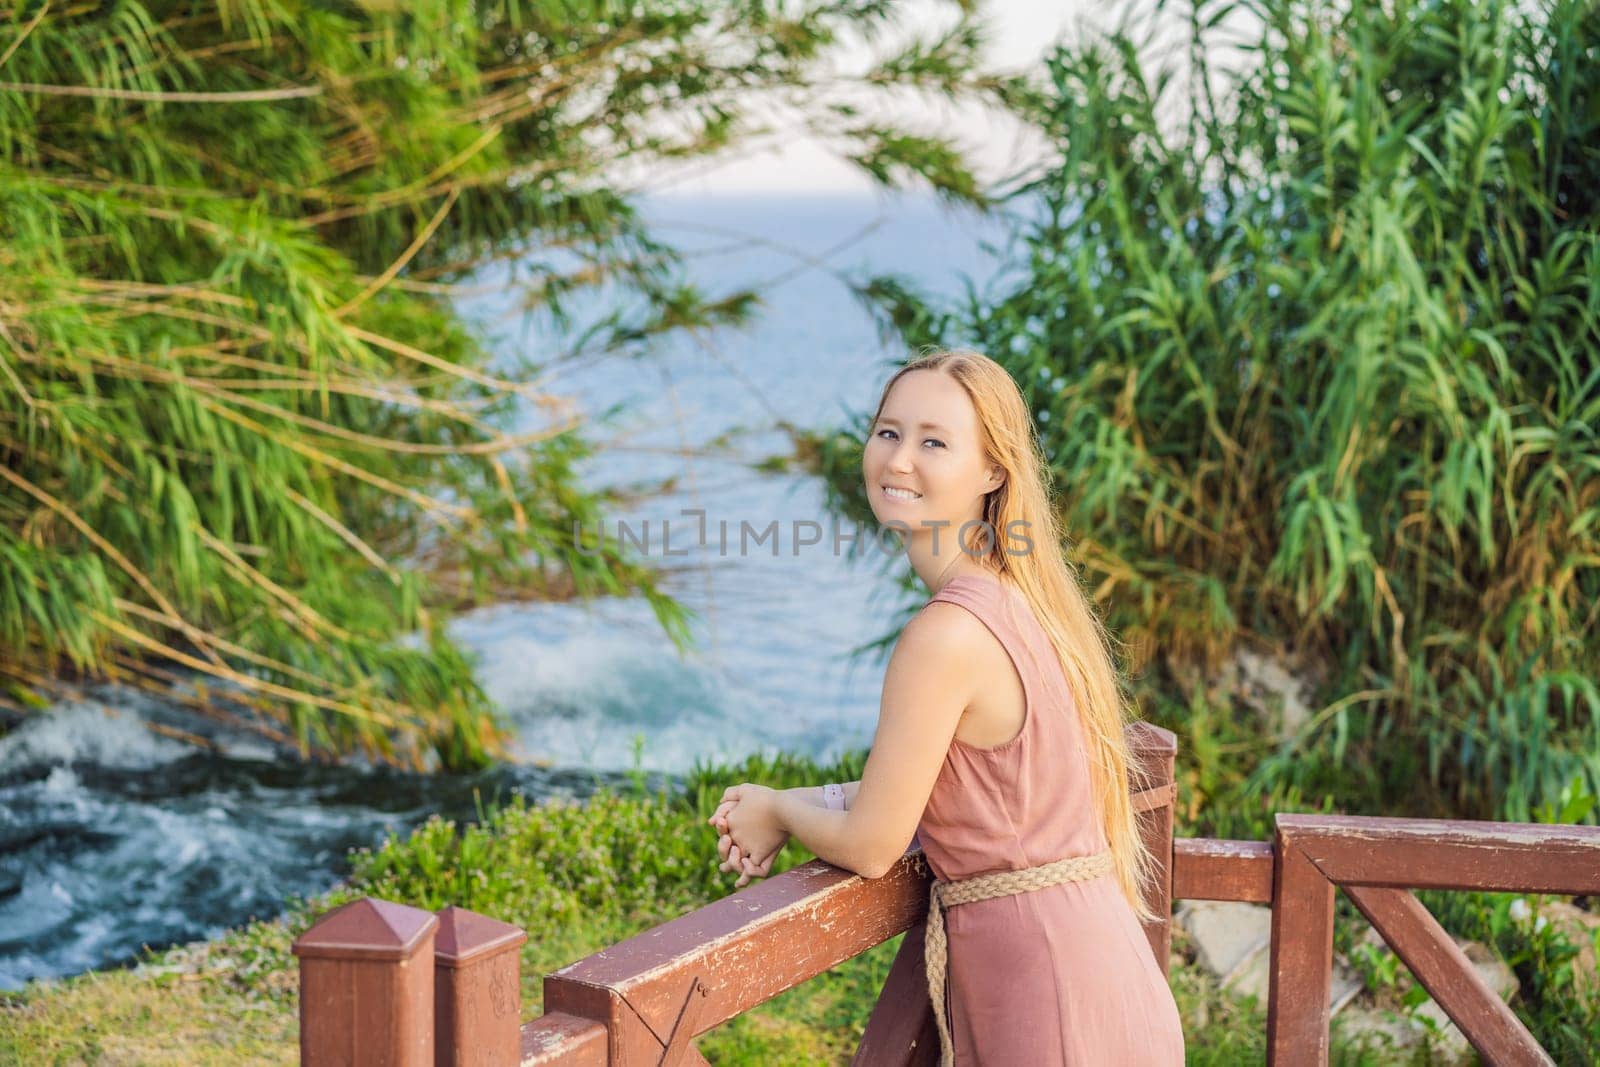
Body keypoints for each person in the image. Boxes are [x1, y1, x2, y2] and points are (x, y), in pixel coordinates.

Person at [707, 348, 1186, 1065]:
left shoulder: (944, 636)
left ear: (994, 469)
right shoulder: (1023, 600)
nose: (899, 460)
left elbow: (873, 843)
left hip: (1045, 993)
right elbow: (963, 797)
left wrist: (778, 810)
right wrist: (791, 798)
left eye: (934, 441)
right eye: (888, 432)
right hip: (1103, 975)